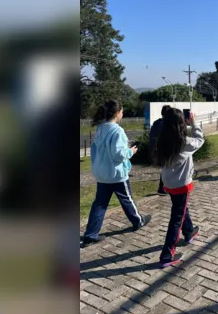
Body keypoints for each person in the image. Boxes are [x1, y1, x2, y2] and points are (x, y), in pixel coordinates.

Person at [81, 100, 152, 248]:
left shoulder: (100, 128)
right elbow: (119, 155)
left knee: (99, 204)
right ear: (117, 113)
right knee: (127, 199)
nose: (122, 113)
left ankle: (90, 234)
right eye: (122, 111)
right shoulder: (117, 130)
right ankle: (138, 221)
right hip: (116, 174)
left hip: (101, 173)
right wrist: (131, 151)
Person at [155, 108, 203, 267]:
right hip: (181, 184)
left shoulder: (162, 140)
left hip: (169, 183)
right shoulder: (184, 142)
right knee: (176, 218)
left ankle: (189, 231)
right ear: (181, 123)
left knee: (180, 208)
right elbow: (200, 139)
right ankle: (167, 254)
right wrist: (194, 122)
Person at [150, 105, 171, 195]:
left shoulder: (156, 123)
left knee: (164, 168)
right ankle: (163, 188)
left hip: (158, 149)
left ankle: (163, 187)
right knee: (167, 168)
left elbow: (151, 136)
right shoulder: (169, 124)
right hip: (168, 149)